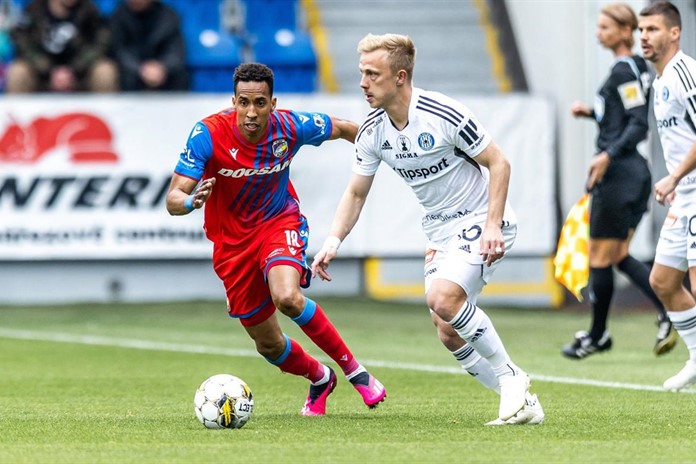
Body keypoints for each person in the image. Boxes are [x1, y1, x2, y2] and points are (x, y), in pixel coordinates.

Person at [311, 33, 543, 425]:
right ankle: (527, 406)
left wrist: (492, 225)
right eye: (361, 73)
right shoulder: (373, 131)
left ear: (400, 76)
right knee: (447, 329)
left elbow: (499, 162)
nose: (363, 83)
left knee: (442, 298)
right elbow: (355, 192)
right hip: (440, 231)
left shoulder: (441, 113)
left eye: (372, 74)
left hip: (481, 217)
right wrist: (333, 241)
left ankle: (511, 377)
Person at [166, 63, 386, 415]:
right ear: (234, 102)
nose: (251, 112)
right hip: (231, 246)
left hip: (277, 222)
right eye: (243, 103)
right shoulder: (208, 133)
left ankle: (355, 372)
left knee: (287, 297)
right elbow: (173, 199)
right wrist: (192, 201)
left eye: (259, 103)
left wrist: (391, 151)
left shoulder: (290, 126)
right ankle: (320, 377)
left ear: (273, 103)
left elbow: (345, 128)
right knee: (268, 345)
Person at [561, 3, 677, 360]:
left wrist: (606, 155)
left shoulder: (624, 69)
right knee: (618, 255)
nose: (599, 33)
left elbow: (638, 123)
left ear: (626, 31)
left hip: (619, 175)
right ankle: (667, 310)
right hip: (632, 173)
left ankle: (599, 334)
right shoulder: (635, 67)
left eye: (605, 27)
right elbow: (622, 117)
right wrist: (592, 113)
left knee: (600, 256)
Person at [639, 1, 696, 390]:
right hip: (684, 195)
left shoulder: (684, 74)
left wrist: (673, 176)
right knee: (662, 280)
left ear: (674, 32)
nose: (644, 37)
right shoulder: (659, 82)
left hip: (691, 189)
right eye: (641, 30)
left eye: (653, 29)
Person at [6, 0, 117, 93]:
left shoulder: (89, 10)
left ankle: (105, 112)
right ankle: (16, 112)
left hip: (80, 74)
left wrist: (74, 69)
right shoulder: (34, 10)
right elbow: (22, 43)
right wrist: (47, 69)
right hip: (42, 75)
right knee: (18, 72)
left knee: (105, 71)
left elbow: (100, 44)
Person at [109, 0, 188, 91]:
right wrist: (141, 69)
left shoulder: (168, 16)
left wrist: (162, 67)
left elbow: (175, 50)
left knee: (179, 74)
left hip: (163, 70)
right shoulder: (119, 15)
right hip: (132, 70)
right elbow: (119, 51)